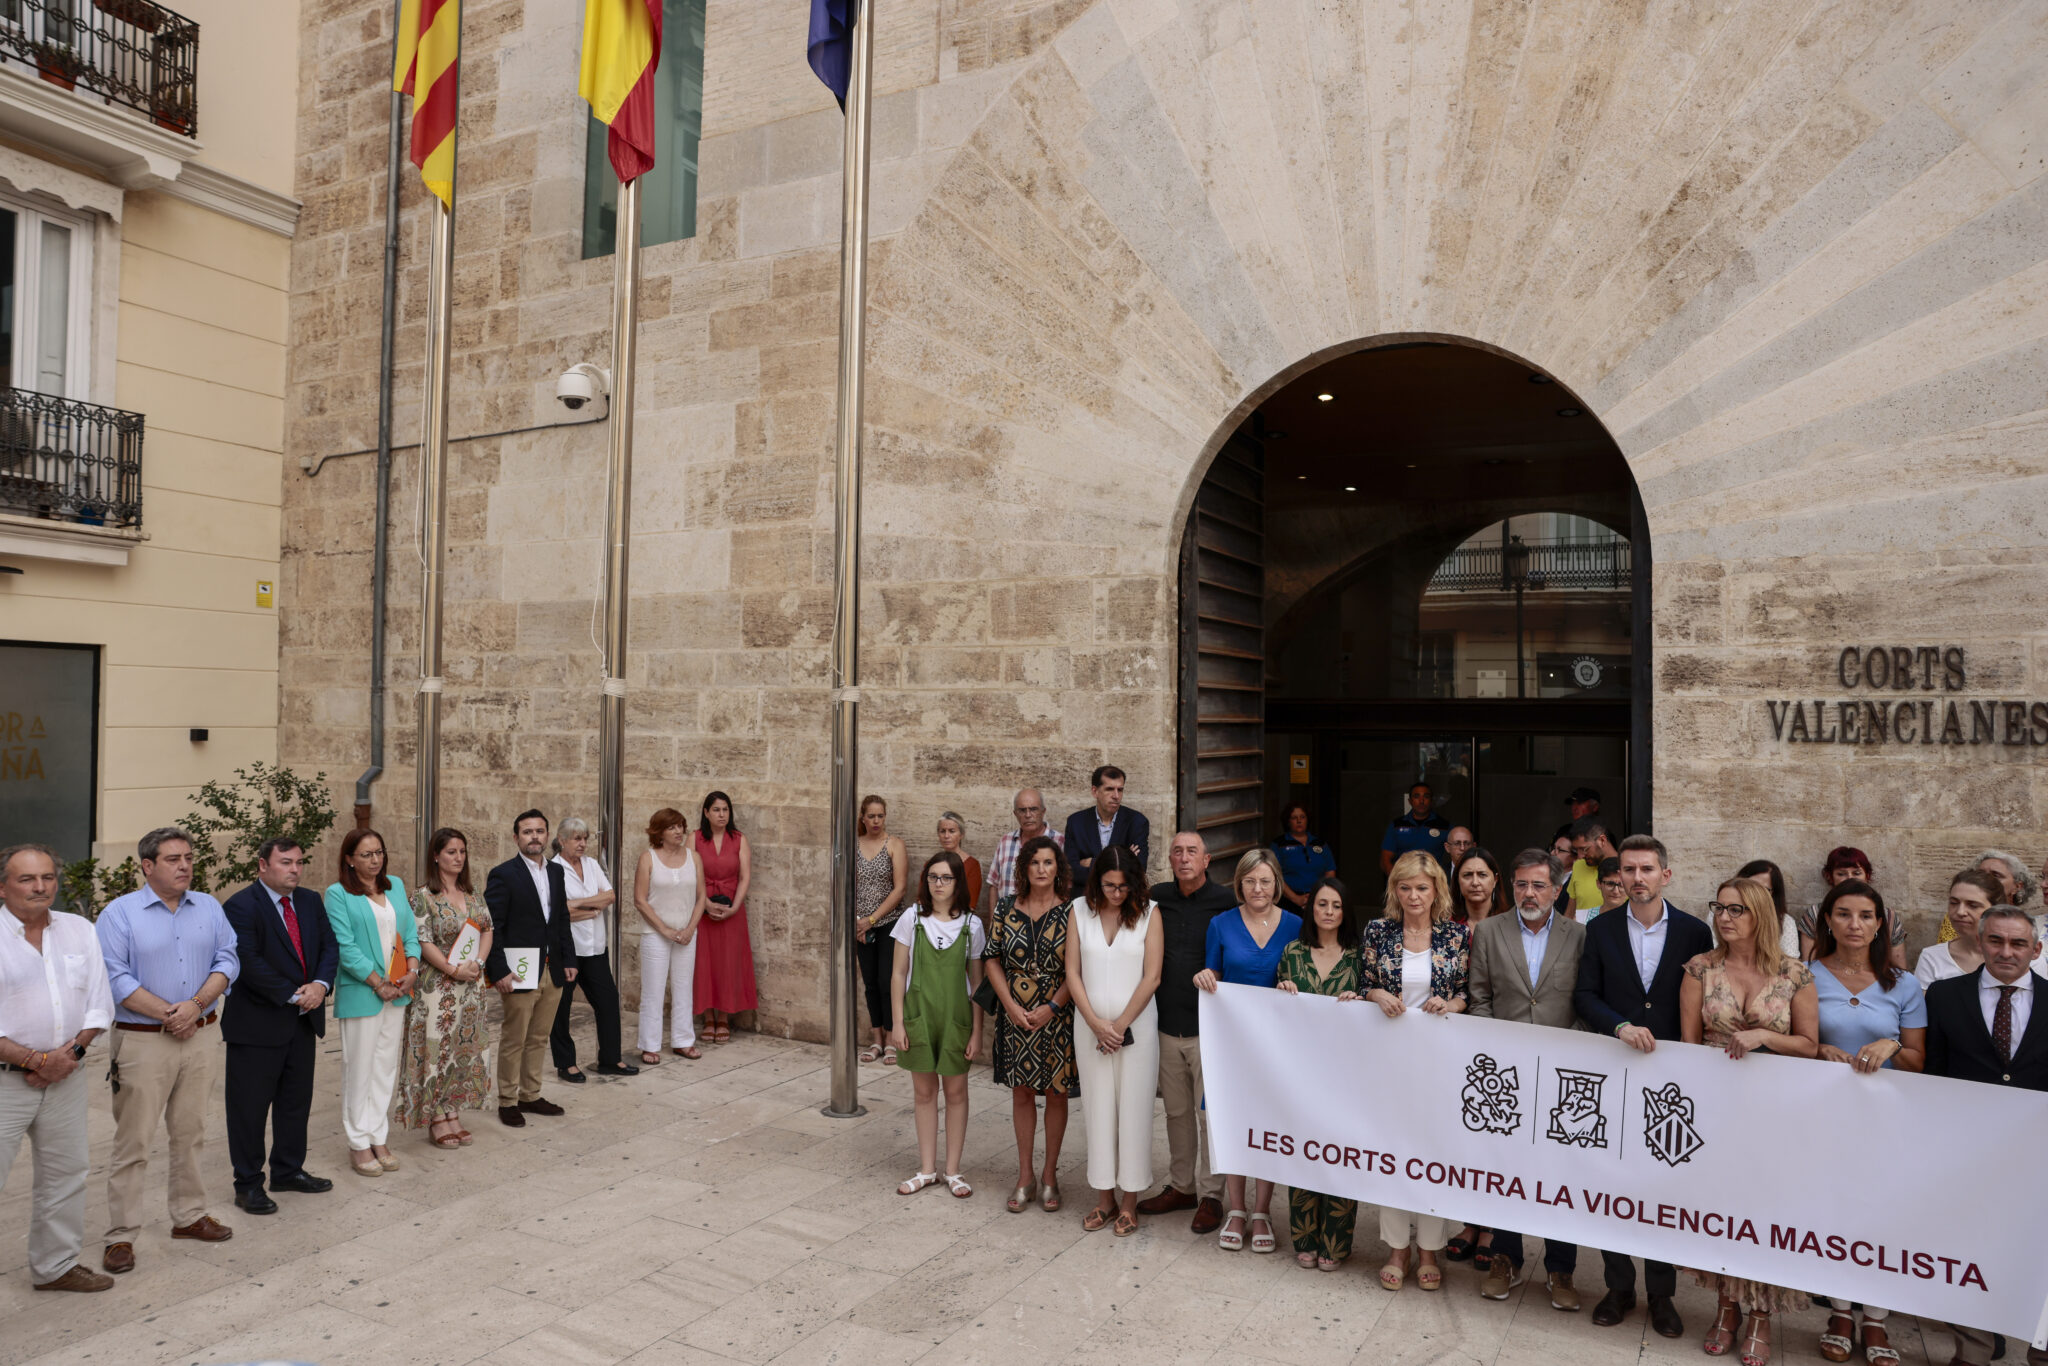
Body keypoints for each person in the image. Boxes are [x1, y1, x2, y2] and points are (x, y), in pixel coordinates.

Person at [1574, 832, 1713, 1338]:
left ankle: (1662, 1294)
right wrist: (1618, 1026)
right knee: (1612, 1179)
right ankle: (1618, 1286)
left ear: (1665, 875)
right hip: (1615, 1066)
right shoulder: (1600, 928)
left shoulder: (1697, 933)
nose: (1637, 879)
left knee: (1661, 1186)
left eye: (1647, 869)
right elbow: (1585, 994)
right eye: (1629, 870)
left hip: (1672, 1079)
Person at [1679, 876, 1818, 1366]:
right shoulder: (1700, 969)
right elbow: (1689, 1047)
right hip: (1717, 1109)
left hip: (1776, 1111)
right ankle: (1726, 1307)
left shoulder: (1794, 973)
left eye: (1736, 909)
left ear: (1759, 915)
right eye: (1719, 907)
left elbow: (1809, 1045)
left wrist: (1764, 1037)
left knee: (1768, 1215)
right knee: (1723, 1214)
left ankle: (1761, 1314)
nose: (1724, 917)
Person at [96, 826, 241, 1271]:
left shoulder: (210, 907)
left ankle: (189, 1215)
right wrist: (168, 1014)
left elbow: (228, 959)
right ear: (147, 865)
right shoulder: (119, 914)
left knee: (191, 1132)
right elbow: (116, 978)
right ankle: (121, 1235)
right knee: (134, 1140)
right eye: (174, 859)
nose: (184, 866)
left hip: (200, 1036)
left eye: (189, 858)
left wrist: (195, 1008)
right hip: (143, 1042)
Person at [1923, 906, 2048, 1366]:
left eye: (2018, 944)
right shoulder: (1943, 996)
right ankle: (1972, 1350)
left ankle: (2042, 1347)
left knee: (2040, 1255)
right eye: (1996, 941)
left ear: (2036, 950)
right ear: (1981, 941)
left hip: (2040, 1154)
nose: (2006, 952)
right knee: (1968, 1251)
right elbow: (1933, 1073)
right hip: (1966, 1153)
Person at [1809, 878, 1925, 1366]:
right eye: (1843, 914)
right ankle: (1838, 1311)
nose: (1854, 924)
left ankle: (1875, 1318)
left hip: (1887, 1119)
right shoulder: (1804, 975)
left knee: (1882, 1213)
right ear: (1828, 921)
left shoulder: (1905, 983)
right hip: (1824, 1114)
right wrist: (1818, 1049)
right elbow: (1794, 1040)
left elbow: (1921, 1059)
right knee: (1833, 1209)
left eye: (1865, 916)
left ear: (1881, 924)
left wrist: (1892, 1045)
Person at [1466, 849, 1586, 1309]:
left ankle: (1561, 1269)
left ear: (1557, 890)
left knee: (1561, 1173)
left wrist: (1567, 1053)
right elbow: (1479, 997)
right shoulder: (1491, 932)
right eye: (1520, 885)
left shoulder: (1579, 937)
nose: (1528, 893)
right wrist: (1498, 1053)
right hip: (1506, 1076)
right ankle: (1505, 1257)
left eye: (1538, 885)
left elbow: (1584, 1000)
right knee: (1505, 1168)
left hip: (1564, 1076)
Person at [0, 843, 115, 1291]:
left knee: (66, 1175)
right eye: (27, 879)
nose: (40, 886)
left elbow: (99, 1004)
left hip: (68, 1073)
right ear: (3, 886)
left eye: (47, 877)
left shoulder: (79, 930)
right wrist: (34, 1060)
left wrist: (67, 1058)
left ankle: (56, 1266)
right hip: (7, 1081)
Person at [1359, 850, 1468, 1291]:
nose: (1413, 895)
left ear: (1437, 889)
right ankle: (1396, 1250)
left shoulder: (1455, 937)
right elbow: (1362, 982)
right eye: (1404, 887)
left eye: (1421, 887)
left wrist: (1451, 1004)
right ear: (1394, 890)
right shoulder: (1378, 930)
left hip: (1438, 1062)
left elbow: (1466, 994)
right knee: (1393, 1153)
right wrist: (1377, 995)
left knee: (1432, 1155)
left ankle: (1428, 1250)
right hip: (1388, 1059)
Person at [221, 837, 337, 1213]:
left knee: (294, 1103)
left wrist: (320, 986)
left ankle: (288, 1171)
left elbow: (328, 948)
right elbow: (248, 962)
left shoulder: (309, 901)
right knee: (249, 1110)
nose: (295, 870)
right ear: (262, 866)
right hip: (257, 1026)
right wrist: (293, 994)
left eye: (299, 862)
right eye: (286, 863)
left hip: (302, 1022)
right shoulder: (240, 906)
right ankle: (248, 1184)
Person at [1194, 848, 1301, 1253]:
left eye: (1266, 881)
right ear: (1239, 884)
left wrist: (1293, 987)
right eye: (1250, 881)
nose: (1258, 888)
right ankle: (1236, 1210)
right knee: (1234, 1126)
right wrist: (1207, 975)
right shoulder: (1220, 925)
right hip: (1233, 1047)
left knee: (1267, 1128)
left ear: (1277, 884)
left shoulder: (1295, 925)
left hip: (1275, 1049)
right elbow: (1215, 973)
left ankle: (1261, 1212)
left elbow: (1303, 977)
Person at [1137, 831, 1234, 1233]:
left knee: (1208, 1116)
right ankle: (1182, 1187)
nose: (1183, 857)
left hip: (1208, 1030)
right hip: (1164, 1024)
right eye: (1177, 851)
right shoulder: (1156, 898)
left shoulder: (1226, 902)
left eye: (1191, 851)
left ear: (1207, 860)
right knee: (1175, 1113)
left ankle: (1212, 1195)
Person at [1066, 847, 1162, 1237]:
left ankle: (1129, 1201)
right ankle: (1103, 1198)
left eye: (1124, 886)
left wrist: (1119, 1025)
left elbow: (1152, 976)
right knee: (1098, 1108)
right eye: (1109, 885)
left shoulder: (1150, 914)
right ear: (1096, 881)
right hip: (1089, 1026)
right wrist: (1095, 1023)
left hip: (1136, 1028)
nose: (1117, 893)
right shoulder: (1078, 911)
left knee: (1135, 1111)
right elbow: (1072, 971)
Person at [982, 834, 1076, 1214]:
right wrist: (1010, 1005)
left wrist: (1052, 1007)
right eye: (1034, 863)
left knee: (1056, 1095)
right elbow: (991, 958)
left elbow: (1077, 970)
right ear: (1024, 869)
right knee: (1021, 1093)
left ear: (1058, 869)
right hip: (1015, 1017)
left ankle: (1050, 1175)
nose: (1041, 869)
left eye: (1048, 863)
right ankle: (1025, 1176)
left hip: (1056, 1017)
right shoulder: (1005, 908)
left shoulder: (1072, 912)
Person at [1275, 876, 1362, 1270]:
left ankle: (1336, 1243)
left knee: (1342, 1156)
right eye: (1322, 905)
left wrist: (1359, 1000)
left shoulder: (1359, 957)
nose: (1329, 912)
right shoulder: (1293, 952)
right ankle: (1305, 1237)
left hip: (1347, 1076)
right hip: (1302, 1075)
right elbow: (1275, 1009)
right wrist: (1283, 989)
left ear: (1346, 913)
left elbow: (1375, 1010)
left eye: (1336, 906)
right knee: (1304, 1152)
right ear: (1311, 909)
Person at [324, 827, 420, 1177]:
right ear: (349, 859)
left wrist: (411, 970)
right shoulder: (337, 894)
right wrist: (378, 982)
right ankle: (358, 1142)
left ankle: (379, 1136)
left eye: (379, 852)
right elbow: (344, 946)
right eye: (366, 854)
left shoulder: (393, 885)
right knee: (359, 1069)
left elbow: (410, 933)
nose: (375, 860)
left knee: (384, 1068)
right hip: (364, 992)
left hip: (398, 992)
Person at [889, 850, 984, 1198]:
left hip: (956, 1019)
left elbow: (976, 984)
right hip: (919, 1016)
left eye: (946, 878)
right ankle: (927, 1169)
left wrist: (977, 1030)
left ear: (958, 882)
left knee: (956, 1093)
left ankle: (953, 1170)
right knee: (924, 1092)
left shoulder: (972, 925)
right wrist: (897, 1024)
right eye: (932, 877)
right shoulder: (911, 919)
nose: (938, 884)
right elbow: (898, 975)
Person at [400, 827, 494, 1147]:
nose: (458, 858)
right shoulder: (423, 896)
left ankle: (453, 1110)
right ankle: (436, 1117)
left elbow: (487, 930)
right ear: (436, 856)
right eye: (451, 852)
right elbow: (422, 940)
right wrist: (452, 969)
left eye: (462, 852)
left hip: (471, 984)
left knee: (462, 1049)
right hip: (437, 985)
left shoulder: (473, 893)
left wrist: (477, 965)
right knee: (438, 1050)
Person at [484, 810, 576, 1128]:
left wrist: (570, 960)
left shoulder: (557, 873)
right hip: (519, 969)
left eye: (539, 831)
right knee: (515, 1037)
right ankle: (508, 1100)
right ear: (516, 838)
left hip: (553, 968)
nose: (534, 836)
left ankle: (531, 1094)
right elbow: (492, 926)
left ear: (547, 834)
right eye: (527, 832)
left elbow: (561, 918)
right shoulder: (503, 874)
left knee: (539, 1037)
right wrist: (499, 971)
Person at [550, 818, 635, 1081]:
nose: (583, 843)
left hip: (596, 948)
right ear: (562, 840)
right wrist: (588, 908)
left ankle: (610, 1058)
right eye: (576, 838)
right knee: (561, 1009)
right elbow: (556, 911)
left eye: (585, 838)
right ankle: (566, 1064)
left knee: (608, 1002)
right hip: (568, 950)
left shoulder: (592, 864)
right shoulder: (553, 869)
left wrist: (578, 906)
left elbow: (609, 896)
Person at [635, 808, 707, 1063]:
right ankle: (649, 1044)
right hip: (656, 934)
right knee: (653, 990)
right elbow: (640, 901)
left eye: (681, 826)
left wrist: (689, 929)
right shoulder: (648, 858)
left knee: (683, 987)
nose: (679, 831)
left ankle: (683, 1041)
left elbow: (701, 897)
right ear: (659, 832)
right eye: (672, 827)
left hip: (687, 934)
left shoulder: (694, 857)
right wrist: (664, 930)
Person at [693, 791, 757, 1042]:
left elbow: (745, 877)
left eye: (725, 810)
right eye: (716, 810)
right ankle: (708, 1017)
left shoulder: (739, 839)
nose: (721, 814)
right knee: (704, 961)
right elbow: (690, 874)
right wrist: (705, 903)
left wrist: (734, 907)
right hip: (702, 906)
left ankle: (724, 1019)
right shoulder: (694, 838)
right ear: (706, 813)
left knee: (728, 962)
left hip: (732, 908)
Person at [852, 795, 908, 1064]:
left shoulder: (894, 844)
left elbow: (900, 888)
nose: (876, 821)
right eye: (871, 816)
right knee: (870, 984)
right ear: (863, 817)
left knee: (888, 981)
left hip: (888, 923)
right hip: (861, 926)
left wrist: (872, 919)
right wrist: (858, 921)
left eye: (880, 816)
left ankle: (891, 1040)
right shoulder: (854, 845)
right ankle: (876, 1040)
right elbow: (846, 885)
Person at [1797, 848, 1903, 969]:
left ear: (1867, 876)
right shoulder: (1815, 914)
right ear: (1830, 877)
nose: (1849, 878)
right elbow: (1808, 968)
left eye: (1857, 873)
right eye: (1841, 874)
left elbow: (1900, 969)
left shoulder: (1888, 916)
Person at [1917, 870, 2004, 984]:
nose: (1960, 912)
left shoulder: (2017, 956)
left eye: (1973, 905)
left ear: (1995, 909)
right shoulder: (1932, 957)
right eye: (1954, 903)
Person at [1064, 765, 1150, 880]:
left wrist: (1092, 862)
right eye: (1109, 789)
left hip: (1123, 894)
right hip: (1086, 894)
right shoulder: (1076, 822)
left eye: (1120, 790)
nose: (1116, 796)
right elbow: (1072, 871)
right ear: (1095, 791)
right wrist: (1124, 859)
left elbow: (1139, 870)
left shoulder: (1137, 822)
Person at [990, 788, 1064, 905]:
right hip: (1006, 919)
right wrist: (993, 922)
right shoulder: (1005, 841)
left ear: (1043, 811)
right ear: (1015, 814)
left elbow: (1067, 886)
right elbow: (994, 885)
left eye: (1033, 809)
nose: (1028, 815)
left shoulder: (1059, 841)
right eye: (1022, 810)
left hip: (1046, 919)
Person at [1272, 802, 1335, 914]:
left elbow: (1330, 872)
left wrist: (1321, 895)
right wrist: (1296, 898)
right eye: (1294, 818)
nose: (1299, 821)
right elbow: (1275, 875)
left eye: (1302, 817)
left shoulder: (1320, 844)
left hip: (1319, 900)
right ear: (1288, 821)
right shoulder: (1278, 845)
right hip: (1288, 902)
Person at [1734, 858, 1798, 958]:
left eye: (1763, 889)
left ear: (1773, 894)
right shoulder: (1722, 913)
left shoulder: (1785, 922)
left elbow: (1791, 962)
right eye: (1751, 885)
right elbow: (1715, 950)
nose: (1755, 892)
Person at [1380, 782, 1448, 874]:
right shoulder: (1396, 825)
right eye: (1416, 796)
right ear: (1410, 801)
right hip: (1403, 881)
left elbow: (1456, 857)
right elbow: (1385, 860)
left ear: (1431, 801)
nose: (1421, 800)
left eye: (1426, 796)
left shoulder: (1445, 826)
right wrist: (1397, 882)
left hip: (1434, 882)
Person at [1565, 819, 1616, 916]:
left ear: (1602, 840)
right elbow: (1570, 913)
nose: (1580, 856)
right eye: (1577, 850)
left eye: (1584, 849)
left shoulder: (1626, 868)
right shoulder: (1579, 866)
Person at [937, 812, 983, 916]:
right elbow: (922, 899)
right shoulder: (931, 864)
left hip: (958, 921)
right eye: (942, 831)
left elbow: (970, 904)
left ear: (961, 834)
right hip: (931, 921)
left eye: (952, 831)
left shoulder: (972, 865)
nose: (946, 836)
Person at [1453, 846, 1509, 924]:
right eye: (1467, 875)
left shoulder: (1509, 924)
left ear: (1495, 880)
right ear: (1458, 880)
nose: (1475, 883)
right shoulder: (1446, 926)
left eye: (1482, 875)